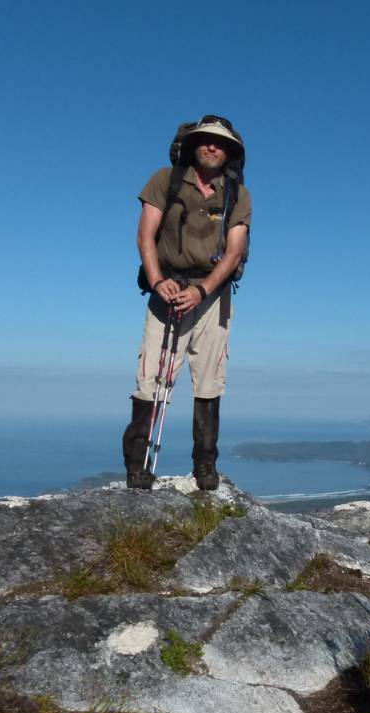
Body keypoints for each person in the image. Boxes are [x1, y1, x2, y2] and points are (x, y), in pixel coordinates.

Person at [121, 116, 251, 491]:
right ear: (193, 145)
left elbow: (234, 250)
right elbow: (146, 235)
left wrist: (203, 290)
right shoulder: (166, 180)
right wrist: (158, 280)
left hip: (212, 296)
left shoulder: (237, 194)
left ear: (230, 151)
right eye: (206, 140)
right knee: (151, 380)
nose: (212, 147)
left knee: (210, 380)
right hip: (168, 288)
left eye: (220, 143)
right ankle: (137, 465)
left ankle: (205, 466)